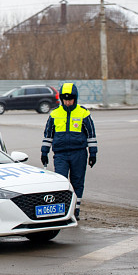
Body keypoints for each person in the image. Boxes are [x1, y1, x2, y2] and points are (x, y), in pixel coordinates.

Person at [40, 82, 97, 221]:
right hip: (60, 154)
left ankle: (75, 209)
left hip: (79, 153)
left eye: (70, 99)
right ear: (61, 99)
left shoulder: (83, 113)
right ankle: (63, 208)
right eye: (65, 99)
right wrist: (44, 152)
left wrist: (93, 153)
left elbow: (91, 134)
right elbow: (48, 135)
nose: (68, 102)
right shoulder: (54, 114)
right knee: (61, 181)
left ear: (75, 98)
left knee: (77, 181)